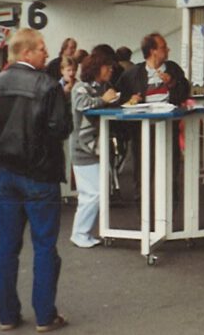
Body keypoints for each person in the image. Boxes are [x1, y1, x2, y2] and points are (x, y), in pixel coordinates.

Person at [0, 28, 71, 332]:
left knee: (7, 247)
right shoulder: (48, 86)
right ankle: (45, 315)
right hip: (40, 177)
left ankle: (7, 315)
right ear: (26, 53)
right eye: (41, 48)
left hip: (6, 177)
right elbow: (60, 129)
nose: (46, 53)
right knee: (44, 247)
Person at [115, 33, 190, 190]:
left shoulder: (173, 69)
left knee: (170, 173)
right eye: (163, 47)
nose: (168, 49)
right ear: (153, 51)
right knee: (143, 174)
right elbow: (119, 97)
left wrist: (172, 83)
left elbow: (185, 94)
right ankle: (144, 212)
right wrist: (132, 100)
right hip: (142, 131)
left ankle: (168, 212)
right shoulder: (132, 74)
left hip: (169, 128)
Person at [70, 47, 118, 248]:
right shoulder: (80, 88)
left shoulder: (102, 87)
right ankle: (80, 233)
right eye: (107, 67)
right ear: (97, 68)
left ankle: (83, 232)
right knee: (93, 193)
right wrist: (104, 100)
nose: (111, 71)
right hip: (84, 150)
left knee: (93, 193)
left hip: (97, 148)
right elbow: (84, 105)